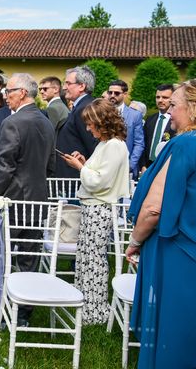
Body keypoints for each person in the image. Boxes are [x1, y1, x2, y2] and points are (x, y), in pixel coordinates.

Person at [126, 78, 196, 369]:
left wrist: (134, 242)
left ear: (194, 108)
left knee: (174, 328)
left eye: (174, 105)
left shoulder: (185, 145)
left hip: (177, 250)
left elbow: (154, 208)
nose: (169, 112)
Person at [0, 73, 56, 328]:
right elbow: (50, 166)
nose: (6, 95)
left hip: (10, 201)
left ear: (23, 93)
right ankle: (23, 312)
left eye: (10, 90)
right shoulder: (46, 122)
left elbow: (2, 166)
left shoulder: (13, 122)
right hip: (38, 199)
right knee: (29, 255)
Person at [61, 98, 130, 325]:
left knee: (95, 261)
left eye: (91, 124)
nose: (88, 128)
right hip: (92, 208)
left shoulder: (115, 145)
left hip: (100, 209)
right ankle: (86, 306)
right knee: (86, 258)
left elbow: (99, 182)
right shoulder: (104, 144)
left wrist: (80, 168)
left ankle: (96, 312)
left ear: (102, 122)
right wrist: (84, 162)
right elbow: (96, 171)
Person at [55, 66, 98, 179]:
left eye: (68, 83)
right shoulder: (80, 106)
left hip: (76, 177)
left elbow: (92, 144)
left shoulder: (84, 109)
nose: (64, 87)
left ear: (81, 86)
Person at [107, 80, 144, 179]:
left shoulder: (135, 115)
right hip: (105, 166)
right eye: (110, 92)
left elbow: (139, 143)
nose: (112, 95)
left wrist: (130, 165)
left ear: (125, 94)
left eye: (117, 93)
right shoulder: (102, 113)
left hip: (126, 168)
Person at [139, 84, 176, 174]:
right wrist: (143, 166)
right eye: (158, 97)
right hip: (148, 167)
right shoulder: (150, 119)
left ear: (172, 99)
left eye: (165, 97)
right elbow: (143, 143)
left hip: (167, 168)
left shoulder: (176, 121)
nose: (160, 100)